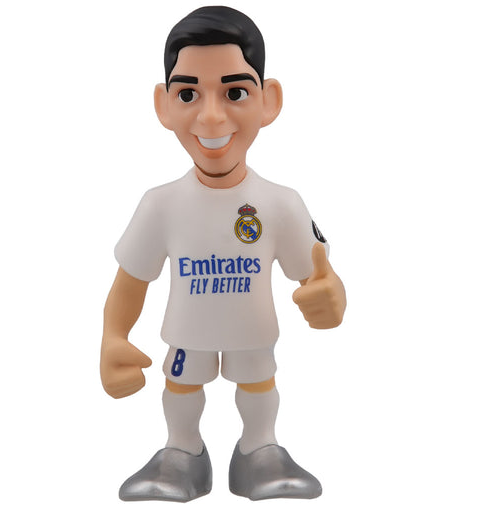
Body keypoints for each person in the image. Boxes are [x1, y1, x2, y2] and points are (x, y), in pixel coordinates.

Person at [100, 6, 346, 502]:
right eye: (188, 94)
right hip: (187, 332)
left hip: (251, 332)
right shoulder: (161, 205)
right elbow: (131, 280)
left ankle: (259, 449)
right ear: (164, 105)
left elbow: (317, 275)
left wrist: (332, 298)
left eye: (234, 93)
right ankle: (182, 452)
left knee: (258, 385)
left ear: (268, 101)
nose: (211, 117)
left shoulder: (280, 204)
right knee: (181, 388)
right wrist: (113, 336)